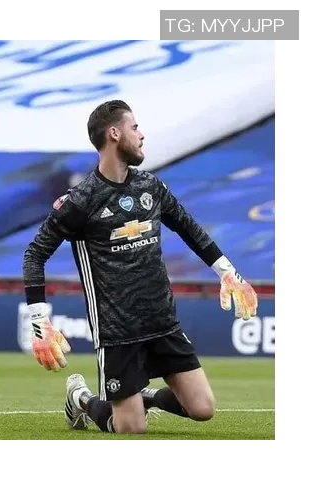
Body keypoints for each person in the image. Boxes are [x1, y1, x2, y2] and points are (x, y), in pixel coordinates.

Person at [22, 100, 258, 434]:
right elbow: (35, 254)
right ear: (114, 134)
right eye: (134, 127)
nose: (142, 135)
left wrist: (227, 272)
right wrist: (39, 321)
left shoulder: (150, 186)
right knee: (131, 429)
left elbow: (190, 228)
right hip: (118, 331)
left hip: (162, 321)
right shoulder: (81, 201)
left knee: (203, 409)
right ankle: (82, 399)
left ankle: (142, 396)